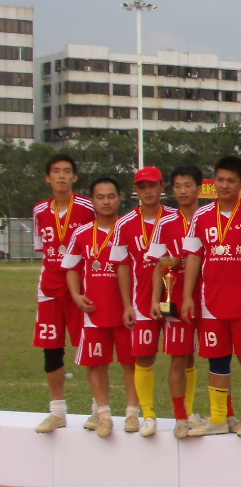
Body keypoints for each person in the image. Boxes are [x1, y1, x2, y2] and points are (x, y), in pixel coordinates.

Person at [181, 156, 241, 438]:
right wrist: (188, 296)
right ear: (212, 182)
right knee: (217, 360)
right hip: (211, 303)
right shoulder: (201, 216)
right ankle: (218, 418)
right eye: (220, 180)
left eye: (231, 181)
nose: (224, 185)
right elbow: (193, 256)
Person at [32, 152, 95, 433]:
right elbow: (43, 248)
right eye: (56, 171)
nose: (61, 176)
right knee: (51, 349)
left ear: (74, 176)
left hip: (82, 287)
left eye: (66, 171)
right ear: (48, 177)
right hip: (50, 288)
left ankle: (98, 409)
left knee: (91, 347)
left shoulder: (86, 207)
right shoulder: (39, 211)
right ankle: (57, 411)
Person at [62, 176, 128, 437]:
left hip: (126, 311)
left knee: (131, 364)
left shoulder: (129, 228)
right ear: (92, 201)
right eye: (100, 197)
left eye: (111, 196)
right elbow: (71, 267)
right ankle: (103, 414)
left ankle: (133, 413)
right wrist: (76, 295)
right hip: (94, 312)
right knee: (97, 364)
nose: (106, 201)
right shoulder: (81, 233)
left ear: (119, 198)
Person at [150, 164, 205, 436]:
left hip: (208, 298)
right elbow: (157, 264)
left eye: (188, 186)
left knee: (216, 357)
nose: (182, 191)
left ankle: (222, 413)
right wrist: (154, 300)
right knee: (178, 358)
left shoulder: (209, 217)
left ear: (199, 188)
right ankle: (180, 417)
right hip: (176, 298)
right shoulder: (165, 223)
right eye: (177, 187)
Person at [114, 165, 168, 437]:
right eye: (142, 187)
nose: (147, 191)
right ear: (136, 190)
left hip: (173, 300)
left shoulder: (174, 218)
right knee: (144, 357)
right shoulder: (124, 223)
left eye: (152, 185)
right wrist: (127, 304)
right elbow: (122, 266)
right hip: (142, 301)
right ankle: (148, 414)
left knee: (183, 356)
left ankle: (186, 413)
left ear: (162, 186)